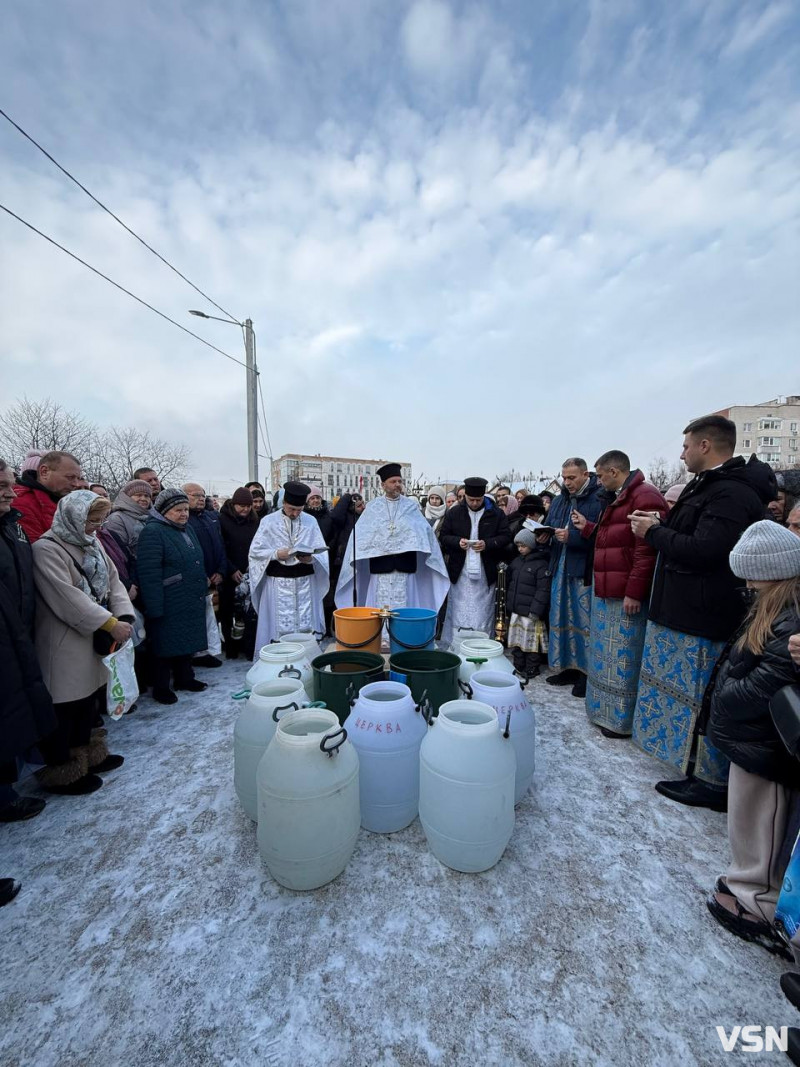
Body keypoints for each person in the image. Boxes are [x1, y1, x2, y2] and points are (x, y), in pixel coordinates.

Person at [629, 414, 777, 810]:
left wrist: (653, 533)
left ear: (705, 446)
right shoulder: (711, 486)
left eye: (685, 446)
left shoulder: (730, 493)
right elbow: (696, 533)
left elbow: (708, 551)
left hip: (703, 613)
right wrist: (661, 523)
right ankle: (693, 768)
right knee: (689, 696)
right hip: (686, 607)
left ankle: (710, 782)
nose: (682, 454)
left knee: (702, 697)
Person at [705, 521, 800, 958]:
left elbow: (769, 680)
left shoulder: (790, 614)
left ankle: (758, 901)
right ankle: (747, 879)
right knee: (746, 819)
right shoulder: (769, 603)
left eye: (751, 572)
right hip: (753, 738)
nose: (744, 581)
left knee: (765, 820)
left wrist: (726, 698)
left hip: (767, 741)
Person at [32, 491, 131, 794]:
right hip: (65, 641)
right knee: (67, 705)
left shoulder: (92, 542)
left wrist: (124, 612)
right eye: (91, 520)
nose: (96, 526)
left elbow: (113, 580)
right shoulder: (46, 549)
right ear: (73, 517)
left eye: (99, 520)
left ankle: (89, 755)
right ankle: (64, 770)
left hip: (93, 635)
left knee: (88, 701)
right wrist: (112, 623)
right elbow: (67, 598)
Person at [572, 451, 668, 738]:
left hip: (625, 592)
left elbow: (645, 551)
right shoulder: (619, 496)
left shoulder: (644, 496)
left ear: (614, 472)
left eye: (600, 475)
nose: (598, 481)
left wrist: (635, 592)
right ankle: (604, 711)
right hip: (609, 587)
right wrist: (589, 528)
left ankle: (620, 720)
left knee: (623, 657)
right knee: (606, 655)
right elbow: (612, 538)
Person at [0, 458, 55, 821]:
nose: (10, 491)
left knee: (11, 716)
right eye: (2, 486)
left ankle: (5, 794)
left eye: (9, 483)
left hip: (16, 633)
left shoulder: (12, 528)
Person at [335, 463, 449, 612]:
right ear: (383, 485)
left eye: (399, 481)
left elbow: (425, 535)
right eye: (393, 481)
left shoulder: (411, 507)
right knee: (378, 608)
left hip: (405, 569)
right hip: (380, 569)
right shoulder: (373, 508)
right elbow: (360, 537)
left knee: (406, 609)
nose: (397, 485)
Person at [136, 488, 209, 705]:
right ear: (165, 511)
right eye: (178, 510)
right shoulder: (153, 532)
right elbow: (149, 573)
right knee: (163, 645)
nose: (184, 513)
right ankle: (161, 687)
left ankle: (185, 678)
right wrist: (155, 606)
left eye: (186, 509)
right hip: (168, 598)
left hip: (188, 596)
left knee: (185, 640)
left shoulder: (186, 529)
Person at [545, 458, 605, 698]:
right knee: (559, 616)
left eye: (572, 477)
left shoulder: (599, 499)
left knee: (583, 621)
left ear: (585, 475)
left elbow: (602, 538)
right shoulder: (559, 500)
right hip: (559, 564)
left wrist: (573, 537)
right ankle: (567, 667)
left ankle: (585, 673)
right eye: (564, 477)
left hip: (582, 569)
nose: (567, 482)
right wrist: (544, 536)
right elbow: (550, 526)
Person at [249, 481, 330, 649]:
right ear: (284, 503)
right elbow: (255, 552)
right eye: (291, 509)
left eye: (299, 510)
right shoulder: (268, 521)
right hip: (278, 583)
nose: (295, 514)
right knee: (279, 628)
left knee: (306, 626)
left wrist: (311, 559)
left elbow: (321, 552)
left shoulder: (311, 521)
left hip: (305, 583)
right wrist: (277, 554)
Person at [439, 477, 511, 646]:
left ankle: (481, 645)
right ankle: (455, 646)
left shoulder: (495, 513)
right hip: (460, 572)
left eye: (478, 500)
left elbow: (506, 536)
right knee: (458, 610)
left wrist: (488, 544)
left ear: (483, 496)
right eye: (471, 499)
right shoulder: (455, 512)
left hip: (485, 572)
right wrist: (458, 542)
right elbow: (444, 536)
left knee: (482, 612)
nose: (474, 503)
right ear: (465, 497)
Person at [184, 482, 227, 668]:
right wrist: (203, 575)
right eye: (195, 495)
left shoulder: (211, 517)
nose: (200, 498)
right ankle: (196, 654)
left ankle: (208, 650)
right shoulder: (184, 521)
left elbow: (221, 546)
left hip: (216, 576)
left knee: (212, 617)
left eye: (202, 495)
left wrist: (221, 571)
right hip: (197, 579)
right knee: (198, 619)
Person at [217, 488, 260, 659]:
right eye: (241, 506)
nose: (246, 509)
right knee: (230, 613)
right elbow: (220, 548)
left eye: (248, 506)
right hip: (230, 574)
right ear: (234, 504)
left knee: (249, 612)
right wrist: (230, 568)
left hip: (251, 572)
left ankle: (248, 646)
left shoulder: (255, 521)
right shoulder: (221, 520)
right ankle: (231, 648)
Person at [506, 527, 551, 679]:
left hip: (531, 613)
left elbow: (543, 590)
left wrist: (536, 610)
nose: (520, 549)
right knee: (517, 639)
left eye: (523, 546)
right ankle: (518, 664)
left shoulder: (541, 564)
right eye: (518, 546)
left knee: (532, 642)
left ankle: (532, 667)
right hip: (517, 610)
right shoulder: (517, 562)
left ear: (532, 545)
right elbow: (511, 584)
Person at [13, 450, 82, 543]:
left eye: (78, 478)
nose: (76, 484)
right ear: (44, 472)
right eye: (70, 477)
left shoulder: (65, 503)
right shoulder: (22, 504)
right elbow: (34, 552)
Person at [325, 491, 365, 635]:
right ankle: (337, 625)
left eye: (363, 504)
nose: (362, 507)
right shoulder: (344, 518)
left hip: (358, 560)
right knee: (339, 592)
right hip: (341, 560)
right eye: (359, 505)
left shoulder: (364, 518)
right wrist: (347, 496)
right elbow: (335, 515)